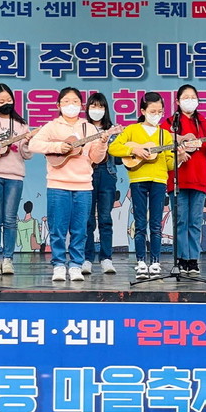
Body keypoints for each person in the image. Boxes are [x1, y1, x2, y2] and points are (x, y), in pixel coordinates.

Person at [29, 87, 109, 282]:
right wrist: (58, 146)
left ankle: (75, 265)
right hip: (58, 184)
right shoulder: (52, 126)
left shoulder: (89, 128)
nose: (71, 105)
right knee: (57, 228)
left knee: (80, 229)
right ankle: (58, 265)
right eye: (66, 101)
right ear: (58, 105)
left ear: (81, 105)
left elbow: (96, 158)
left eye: (75, 102)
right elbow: (33, 144)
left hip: (83, 185)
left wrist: (103, 143)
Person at [109, 92, 185, 280]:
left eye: (160, 111)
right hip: (138, 180)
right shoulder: (132, 130)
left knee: (156, 224)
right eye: (152, 111)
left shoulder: (165, 134)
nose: (156, 115)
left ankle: (156, 262)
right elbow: (113, 148)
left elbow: (169, 164)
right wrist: (133, 149)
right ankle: (141, 261)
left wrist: (180, 158)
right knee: (140, 223)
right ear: (143, 111)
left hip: (159, 180)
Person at [161, 84, 206, 276]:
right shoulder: (170, 122)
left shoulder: (203, 122)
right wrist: (179, 144)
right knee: (180, 220)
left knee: (195, 221)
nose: (190, 101)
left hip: (199, 178)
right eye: (185, 97)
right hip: (178, 178)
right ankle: (181, 258)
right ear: (177, 101)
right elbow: (162, 143)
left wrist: (204, 144)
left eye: (193, 97)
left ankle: (193, 260)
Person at [0, 83, 33, 275]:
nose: (6, 103)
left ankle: (8, 259)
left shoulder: (21, 124)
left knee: (10, 219)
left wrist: (27, 143)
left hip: (15, 175)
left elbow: (26, 155)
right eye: (1, 101)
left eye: (9, 100)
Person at [83, 92, 118, 275]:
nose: (97, 110)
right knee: (87, 220)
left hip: (107, 174)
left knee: (105, 218)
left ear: (106, 109)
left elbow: (119, 159)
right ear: (88, 108)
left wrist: (114, 141)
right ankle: (87, 258)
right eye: (93, 106)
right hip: (86, 174)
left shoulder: (112, 129)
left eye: (101, 106)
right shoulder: (82, 128)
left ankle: (106, 259)